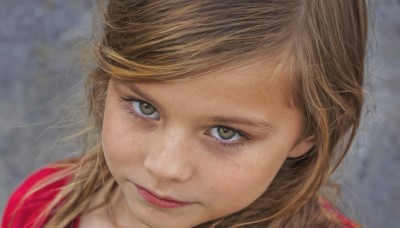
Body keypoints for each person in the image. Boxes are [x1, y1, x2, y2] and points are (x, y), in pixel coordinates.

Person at [2, 0, 368, 227]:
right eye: (145, 108)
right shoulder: (43, 204)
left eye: (226, 132)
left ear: (309, 132)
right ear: (107, 80)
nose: (165, 167)